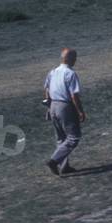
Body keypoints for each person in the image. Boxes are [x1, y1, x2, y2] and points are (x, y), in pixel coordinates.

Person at [43, 48, 86, 176]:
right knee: (73, 137)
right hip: (65, 106)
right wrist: (80, 111)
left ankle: (64, 166)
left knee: (61, 138)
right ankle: (54, 161)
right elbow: (74, 95)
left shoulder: (52, 72)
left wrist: (49, 106)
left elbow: (47, 90)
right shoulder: (70, 73)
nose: (75, 60)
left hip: (53, 105)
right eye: (74, 57)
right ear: (69, 58)